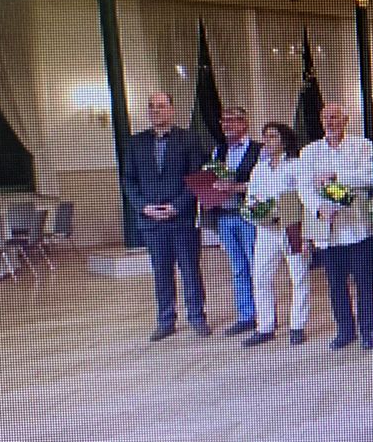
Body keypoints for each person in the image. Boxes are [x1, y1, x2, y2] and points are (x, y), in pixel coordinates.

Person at [121, 91, 211, 341]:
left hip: (182, 218)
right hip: (151, 220)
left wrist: (177, 206)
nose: (156, 110)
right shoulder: (135, 142)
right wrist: (143, 207)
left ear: (172, 109)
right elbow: (128, 180)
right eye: (151, 106)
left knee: (189, 269)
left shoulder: (189, 138)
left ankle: (197, 317)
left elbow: (197, 178)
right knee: (161, 272)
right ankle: (166, 320)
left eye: (161, 106)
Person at [298, 103, 373, 350]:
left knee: (364, 282)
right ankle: (345, 330)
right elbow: (304, 186)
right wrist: (318, 207)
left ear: (346, 120)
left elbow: (367, 178)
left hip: (358, 227)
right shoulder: (309, 151)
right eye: (326, 118)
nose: (330, 122)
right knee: (335, 284)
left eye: (334, 117)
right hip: (327, 228)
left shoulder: (362, 145)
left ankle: (368, 331)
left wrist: (335, 175)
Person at [244, 122, 311, 347]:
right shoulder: (259, 168)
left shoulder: (296, 165)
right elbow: (251, 197)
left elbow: (305, 198)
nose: (267, 141)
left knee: (299, 276)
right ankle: (265, 326)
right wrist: (256, 211)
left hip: (291, 227)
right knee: (260, 277)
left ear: (284, 139)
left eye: (272, 136)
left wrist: (306, 233)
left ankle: (297, 325)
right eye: (265, 136)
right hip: (266, 230)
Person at [210, 106, 264, 336]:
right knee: (238, 269)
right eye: (224, 121)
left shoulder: (259, 150)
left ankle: (264, 316)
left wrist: (235, 187)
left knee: (256, 267)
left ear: (245, 123)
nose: (227, 124)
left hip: (248, 215)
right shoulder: (218, 150)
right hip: (224, 215)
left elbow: (263, 184)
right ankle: (246, 316)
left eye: (233, 120)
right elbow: (212, 179)